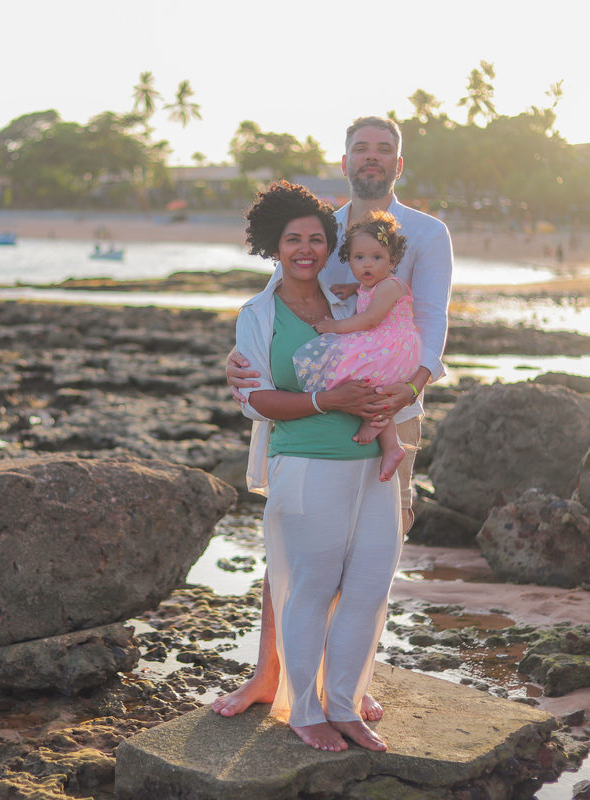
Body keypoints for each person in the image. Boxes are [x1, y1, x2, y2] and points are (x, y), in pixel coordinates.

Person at [216, 116, 452, 722]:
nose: (372, 157)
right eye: (361, 149)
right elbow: (276, 304)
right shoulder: (320, 226)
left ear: (399, 163)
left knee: (370, 551)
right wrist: (239, 361)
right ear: (345, 161)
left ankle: (347, 679)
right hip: (309, 406)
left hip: (392, 407)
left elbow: (433, 319)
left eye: (384, 150)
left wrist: (408, 390)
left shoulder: (427, 233)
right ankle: (267, 674)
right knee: (296, 549)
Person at [228, 181, 402, 752]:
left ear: (330, 247)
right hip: (306, 466)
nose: (306, 249)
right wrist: (329, 401)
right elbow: (255, 399)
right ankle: (304, 710)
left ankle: (344, 705)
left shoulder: (352, 301)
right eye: (293, 239)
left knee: (369, 588)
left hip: (373, 468)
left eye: (317, 239)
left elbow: (396, 347)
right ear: (274, 246)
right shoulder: (259, 314)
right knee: (309, 588)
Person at [293, 211, 420, 483]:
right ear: (348, 260)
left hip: (391, 346)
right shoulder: (371, 285)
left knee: (359, 377)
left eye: (377, 257)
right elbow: (369, 291)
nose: (367, 264)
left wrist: (335, 326)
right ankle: (390, 444)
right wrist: (354, 287)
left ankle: (383, 436)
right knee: (369, 387)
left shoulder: (390, 286)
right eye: (359, 258)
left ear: (393, 261)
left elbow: (370, 319)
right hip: (385, 344)